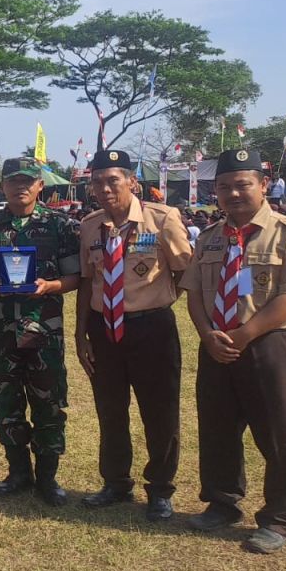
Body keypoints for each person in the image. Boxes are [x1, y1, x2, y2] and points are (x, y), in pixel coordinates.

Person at [180, 148, 286, 554]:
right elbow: (194, 293)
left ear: (263, 184)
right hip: (216, 344)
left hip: (269, 344)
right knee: (217, 428)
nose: (233, 194)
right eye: (224, 187)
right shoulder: (210, 237)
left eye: (242, 184)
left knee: (280, 435)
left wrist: (244, 335)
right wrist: (207, 334)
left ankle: (280, 518)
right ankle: (222, 502)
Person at [74, 150, 193, 521]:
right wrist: (81, 333)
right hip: (103, 328)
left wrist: (158, 299)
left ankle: (160, 488)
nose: (105, 189)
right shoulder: (90, 226)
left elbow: (185, 271)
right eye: (97, 182)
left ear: (132, 182)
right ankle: (115, 482)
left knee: (159, 412)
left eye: (113, 180)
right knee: (110, 410)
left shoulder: (162, 219)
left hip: (151, 328)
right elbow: (87, 281)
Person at [0, 157, 80, 505]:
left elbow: (75, 277)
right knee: (5, 403)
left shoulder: (60, 225)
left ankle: (47, 478)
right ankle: (17, 472)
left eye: (28, 181)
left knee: (49, 403)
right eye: (13, 181)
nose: (20, 187)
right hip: (1, 334)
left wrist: (50, 286)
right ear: (2, 186)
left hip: (44, 332)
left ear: (40, 185)